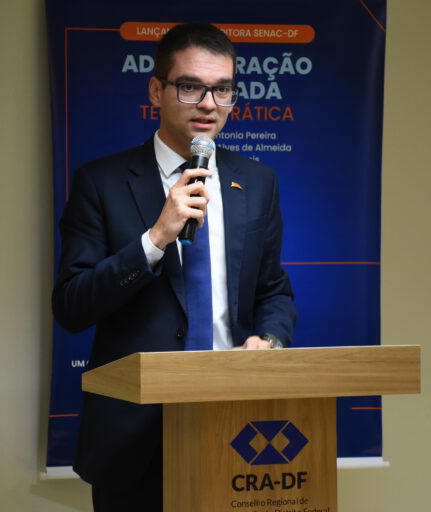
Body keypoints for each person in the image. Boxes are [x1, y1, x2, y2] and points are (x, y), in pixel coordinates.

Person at [52, 22, 296, 511]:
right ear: (156, 91)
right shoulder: (101, 182)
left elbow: (273, 290)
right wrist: (156, 238)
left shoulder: (257, 181)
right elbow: (72, 307)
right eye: (190, 87)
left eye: (223, 89)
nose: (209, 104)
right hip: (134, 435)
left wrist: (269, 340)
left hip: (238, 423)